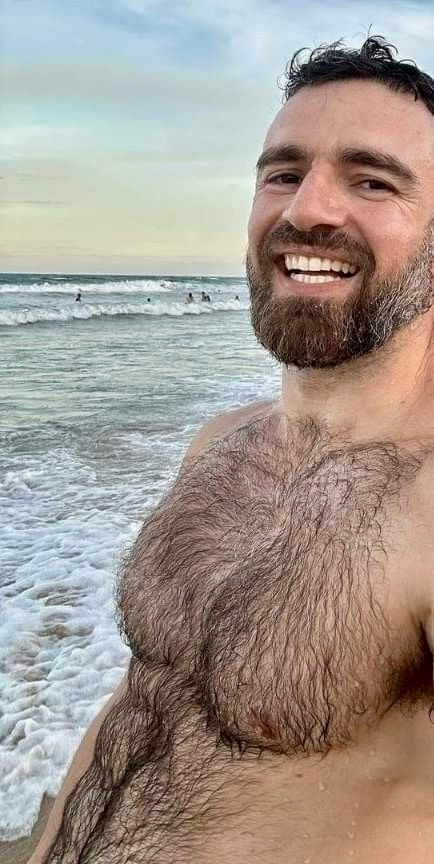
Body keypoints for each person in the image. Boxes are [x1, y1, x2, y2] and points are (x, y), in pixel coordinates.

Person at [29, 36, 434, 864]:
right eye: (283, 173)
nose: (307, 210)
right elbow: (142, 703)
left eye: (372, 181)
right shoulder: (220, 445)